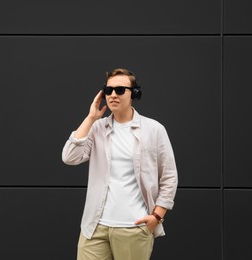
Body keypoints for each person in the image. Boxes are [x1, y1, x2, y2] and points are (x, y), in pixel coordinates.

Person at [62, 68, 178, 260]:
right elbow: (69, 157)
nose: (113, 95)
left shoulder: (154, 129)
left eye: (120, 90)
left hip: (134, 228)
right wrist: (91, 118)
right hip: (94, 228)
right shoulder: (96, 128)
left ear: (134, 94)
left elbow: (169, 176)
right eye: (108, 91)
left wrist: (156, 217)